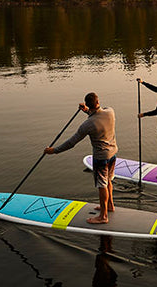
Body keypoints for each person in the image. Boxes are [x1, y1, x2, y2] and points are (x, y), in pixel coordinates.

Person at [44, 92, 118, 224]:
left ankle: (103, 216)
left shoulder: (87, 124)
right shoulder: (110, 112)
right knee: (108, 181)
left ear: (89, 104)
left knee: (102, 185)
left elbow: (71, 143)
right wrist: (87, 111)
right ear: (98, 101)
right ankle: (110, 206)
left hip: (101, 157)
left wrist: (54, 151)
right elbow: (98, 114)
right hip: (113, 154)